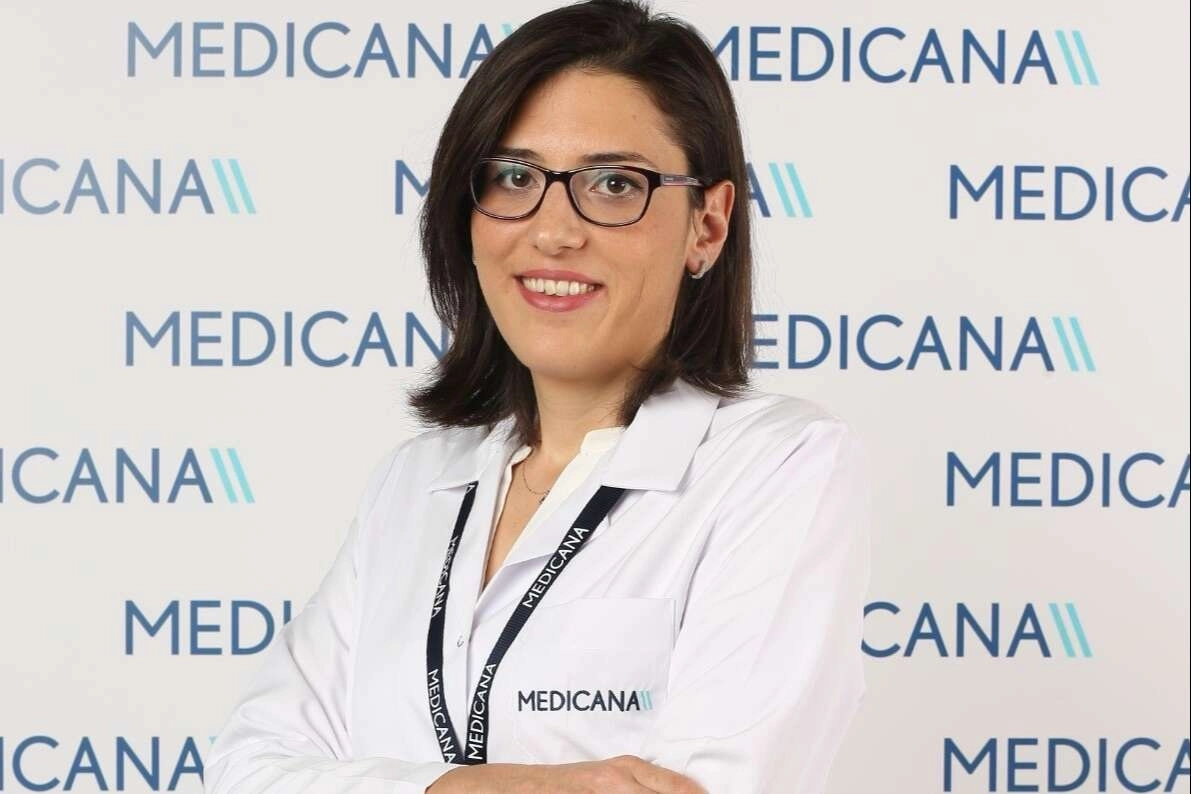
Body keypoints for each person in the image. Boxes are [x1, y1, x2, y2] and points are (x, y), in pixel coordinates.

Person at [203, 1, 872, 792]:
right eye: (515, 177)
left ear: (708, 226)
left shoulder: (776, 465)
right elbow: (245, 771)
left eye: (614, 184)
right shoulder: (413, 483)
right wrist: (485, 786)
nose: (553, 231)